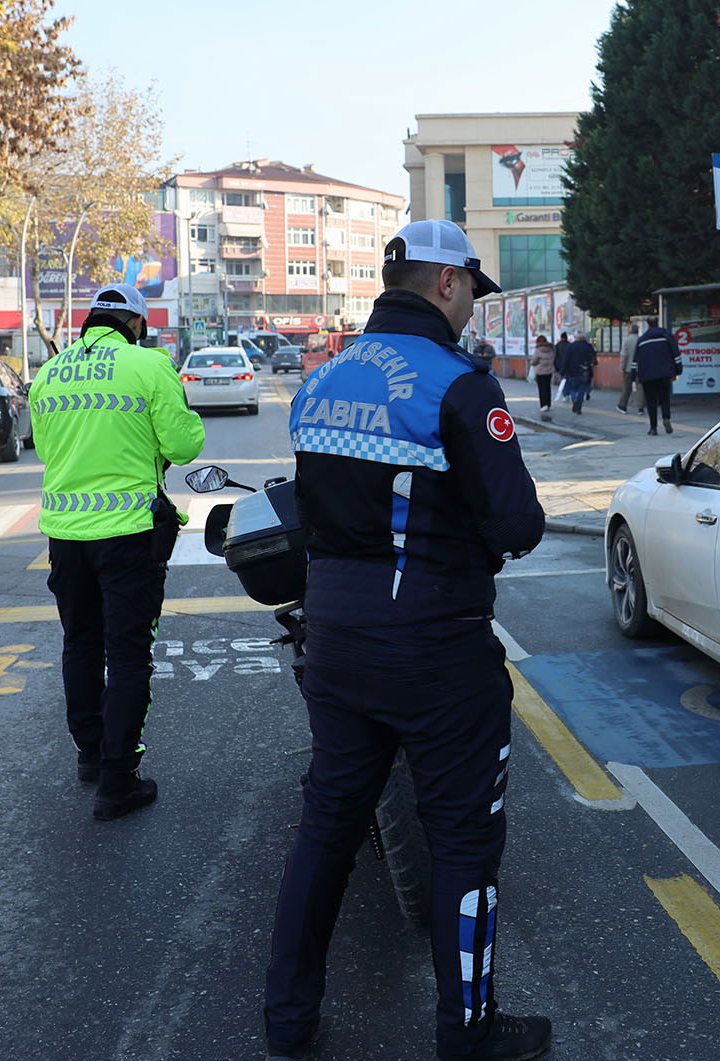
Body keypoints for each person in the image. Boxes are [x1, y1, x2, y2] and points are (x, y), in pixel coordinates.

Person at [267, 220, 551, 1061]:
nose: (470, 310)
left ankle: (286, 1021)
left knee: (327, 825)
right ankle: (468, 1032)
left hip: (335, 635)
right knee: (464, 839)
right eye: (471, 294)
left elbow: (313, 506)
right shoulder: (459, 384)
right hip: (437, 646)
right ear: (448, 283)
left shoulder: (320, 381)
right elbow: (518, 522)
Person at [29, 282, 205, 821]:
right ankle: (118, 779)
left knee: (80, 644)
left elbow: (46, 449)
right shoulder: (148, 365)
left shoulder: (49, 372)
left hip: (66, 537)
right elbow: (184, 446)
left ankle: (90, 754)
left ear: (90, 321)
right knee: (128, 656)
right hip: (128, 535)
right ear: (137, 325)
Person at [560, 331, 597, 416]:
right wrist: (591, 373)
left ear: (576, 337)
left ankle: (574, 399)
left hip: (572, 371)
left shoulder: (570, 346)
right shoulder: (588, 346)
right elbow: (590, 360)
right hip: (584, 371)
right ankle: (579, 408)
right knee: (581, 389)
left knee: (572, 388)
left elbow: (566, 360)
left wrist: (563, 371)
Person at [529, 335, 555, 415]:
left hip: (540, 372)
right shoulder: (551, 349)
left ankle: (543, 405)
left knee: (542, 389)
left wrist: (532, 362)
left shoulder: (538, 350)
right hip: (549, 371)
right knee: (547, 387)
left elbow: (533, 361)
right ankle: (548, 404)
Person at [616, 324, 640, 414]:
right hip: (640, 368)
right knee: (640, 387)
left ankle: (622, 406)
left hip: (628, 368)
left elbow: (624, 355)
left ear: (630, 331)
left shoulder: (626, 341)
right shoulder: (641, 340)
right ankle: (640, 407)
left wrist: (622, 366)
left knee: (627, 388)